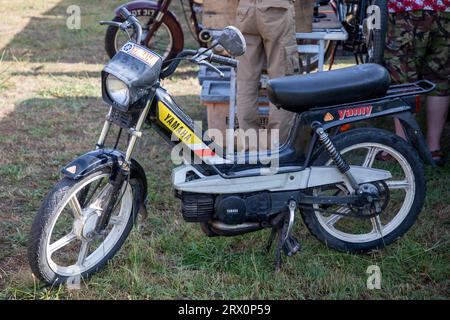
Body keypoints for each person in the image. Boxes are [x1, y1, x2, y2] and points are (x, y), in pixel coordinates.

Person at [384, 0, 450, 166]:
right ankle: (433, 148)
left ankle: (402, 144)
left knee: (402, 75)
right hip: (445, 10)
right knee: (439, 77)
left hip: (408, 8)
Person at [235, 0, 301, 151]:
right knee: (283, 84)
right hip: (276, 9)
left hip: (245, 10)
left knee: (245, 84)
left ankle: (250, 149)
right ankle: (278, 148)